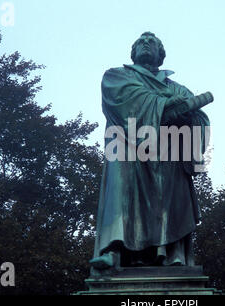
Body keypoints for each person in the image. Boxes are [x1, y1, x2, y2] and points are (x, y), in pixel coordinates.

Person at [90, 32, 211, 270]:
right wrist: (166, 105)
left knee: (172, 188)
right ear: (133, 53)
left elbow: (198, 117)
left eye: (152, 42)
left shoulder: (178, 88)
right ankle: (114, 252)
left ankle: (173, 254)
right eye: (141, 41)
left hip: (169, 150)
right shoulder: (116, 76)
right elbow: (126, 102)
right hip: (126, 145)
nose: (146, 43)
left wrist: (189, 115)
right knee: (122, 186)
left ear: (161, 54)